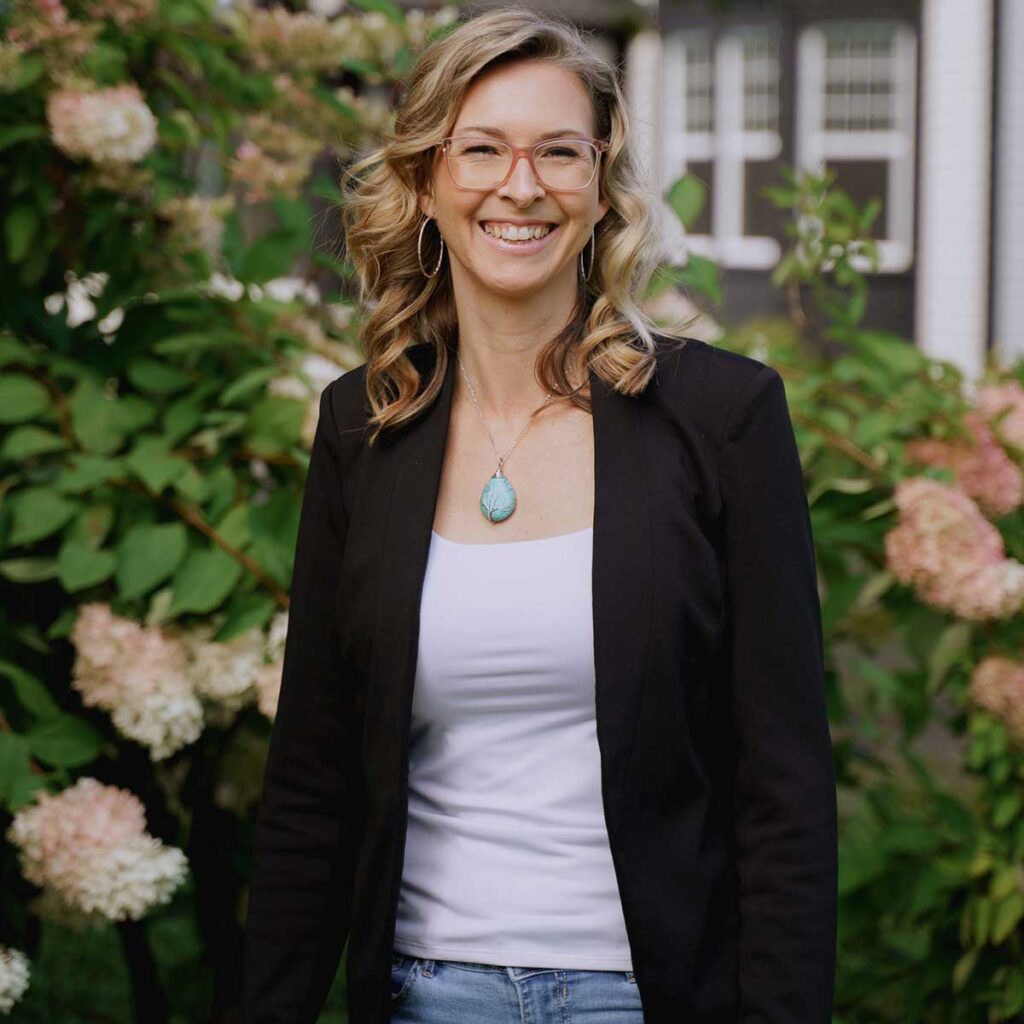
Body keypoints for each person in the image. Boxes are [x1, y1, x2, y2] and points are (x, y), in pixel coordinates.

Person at [241, 6, 838, 1024]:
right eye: (482, 149)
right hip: (424, 991)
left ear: (599, 185)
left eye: (557, 152)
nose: (521, 186)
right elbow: (312, 777)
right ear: (427, 182)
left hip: (644, 997)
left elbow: (782, 787)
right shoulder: (365, 423)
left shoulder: (722, 417)